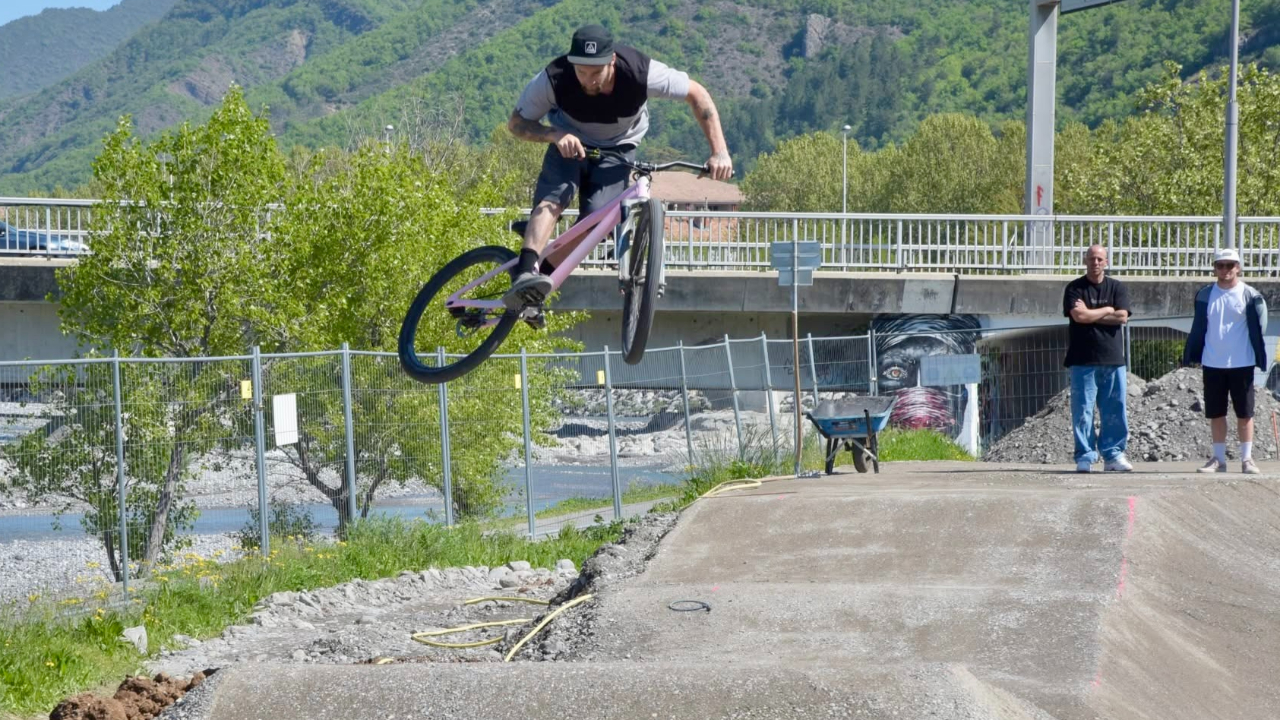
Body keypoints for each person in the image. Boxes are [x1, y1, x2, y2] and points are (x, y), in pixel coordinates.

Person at [503, 23, 733, 313]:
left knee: (595, 224)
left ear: (611, 61)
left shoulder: (640, 72)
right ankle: (525, 270)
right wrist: (553, 134)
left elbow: (697, 94)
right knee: (554, 199)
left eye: (595, 73)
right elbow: (516, 124)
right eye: (581, 72)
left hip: (617, 149)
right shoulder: (554, 78)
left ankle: (538, 283)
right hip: (568, 141)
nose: (587, 81)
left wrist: (720, 152)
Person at [1182, 248, 1268, 474]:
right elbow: (1200, 325)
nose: (1225, 269)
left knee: (1245, 413)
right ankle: (1218, 459)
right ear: (1214, 268)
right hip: (1213, 362)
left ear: (1238, 267)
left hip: (1242, 361)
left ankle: (1247, 459)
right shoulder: (1205, 294)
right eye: (1220, 265)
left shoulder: (1250, 295)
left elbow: (1260, 326)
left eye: (1230, 265)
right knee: (1216, 413)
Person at [1063, 245, 1133, 473]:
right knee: (1083, 410)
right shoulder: (1075, 288)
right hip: (1082, 360)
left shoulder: (1117, 287)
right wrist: (1107, 310)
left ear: (1106, 262)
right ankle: (1085, 455)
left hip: (1112, 359)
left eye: (1100, 259)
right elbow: (1079, 316)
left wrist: (1094, 313)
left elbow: (1122, 317)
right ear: (1085, 260)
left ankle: (1113, 455)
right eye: (1092, 258)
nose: (1095, 262)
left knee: (1115, 408)